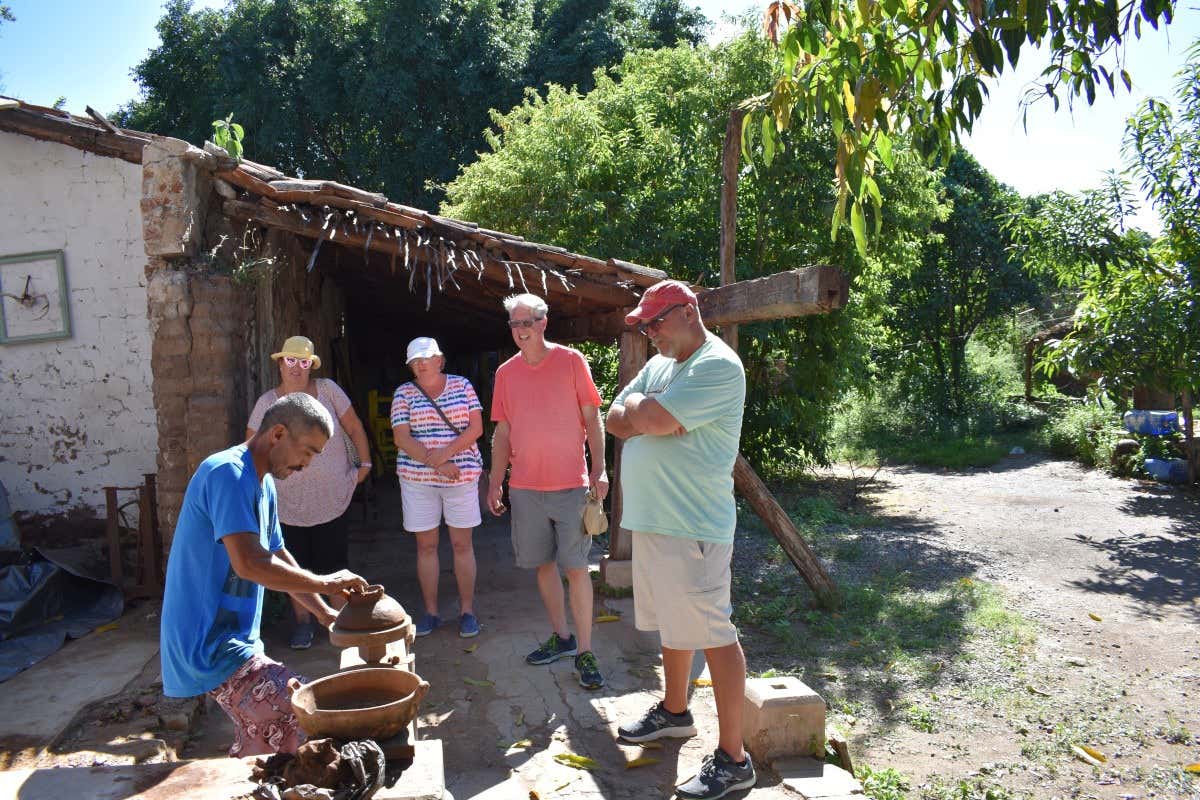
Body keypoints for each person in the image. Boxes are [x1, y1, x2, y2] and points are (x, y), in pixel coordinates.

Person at [606, 280, 755, 800]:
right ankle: (674, 710)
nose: (650, 334)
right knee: (674, 622)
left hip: (693, 528)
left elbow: (649, 416)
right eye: (644, 326)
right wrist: (646, 413)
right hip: (657, 523)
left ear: (689, 311)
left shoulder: (717, 364)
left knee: (714, 630)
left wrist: (648, 413)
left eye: (657, 322)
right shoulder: (663, 365)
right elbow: (617, 417)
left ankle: (735, 759)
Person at [161, 393, 369, 757]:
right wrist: (325, 582)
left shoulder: (264, 483)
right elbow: (250, 564)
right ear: (277, 434)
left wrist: (323, 611)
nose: (307, 464)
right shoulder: (227, 473)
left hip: (236, 641)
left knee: (273, 736)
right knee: (300, 708)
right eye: (306, 452)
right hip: (206, 641)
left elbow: (275, 553)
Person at [486, 293, 609, 690]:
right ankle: (563, 636)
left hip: (571, 486)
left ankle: (585, 651)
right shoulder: (506, 373)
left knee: (576, 569)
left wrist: (600, 470)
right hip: (524, 488)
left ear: (543, 323)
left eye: (527, 322)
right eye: (514, 324)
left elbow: (593, 420)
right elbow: (502, 431)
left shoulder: (571, 361)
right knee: (541, 565)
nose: (520, 330)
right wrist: (494, 480)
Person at [246, 335, 372, 650]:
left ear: (311, 366)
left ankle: (340, 624)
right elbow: (251, 443)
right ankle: (304, 624)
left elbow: (354, 426)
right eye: (291, 361)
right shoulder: (268, 403)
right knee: (295, 566)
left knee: (333, 561)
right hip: (287, 502)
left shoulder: (328, 391)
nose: (296, 368)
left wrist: (365, 462)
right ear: (280, 364)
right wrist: (254, 485)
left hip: (331, 497)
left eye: (303, 362)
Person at [390, 336, 485, 638]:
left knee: (462, 545)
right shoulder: (404, 393)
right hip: (418, 480)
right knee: (426, 546)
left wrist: (444, 456)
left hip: (460, 475)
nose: (421, 363)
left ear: (440, 360)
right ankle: (431, 612)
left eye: (426, 358)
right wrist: (440, 465)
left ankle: (467, 611)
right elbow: (401, 438)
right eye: (415, 360)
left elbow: (476, 428)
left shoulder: (462, 385)